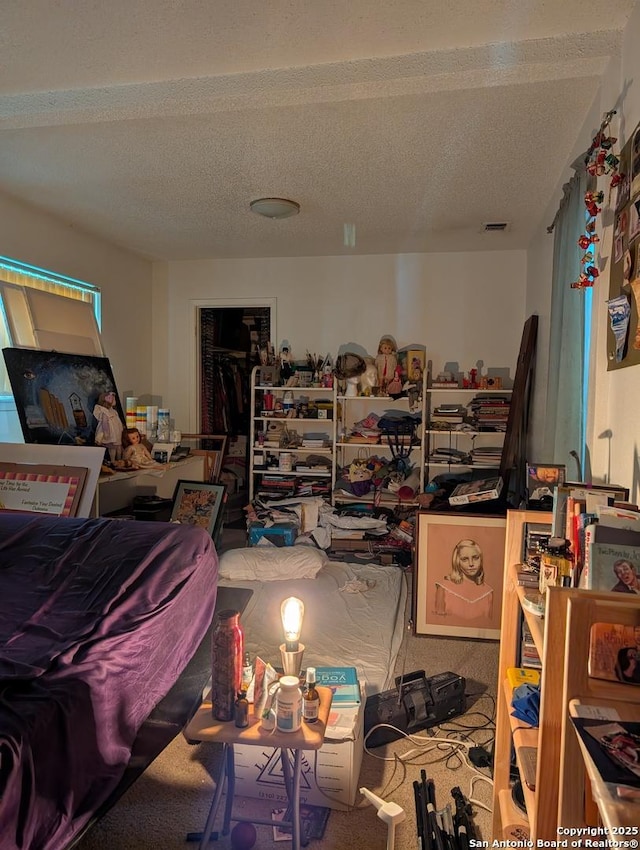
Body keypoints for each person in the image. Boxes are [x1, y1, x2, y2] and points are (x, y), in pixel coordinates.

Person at [434, 538, 494, 621]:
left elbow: (489, 625)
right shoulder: (443, 589)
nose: (471, 564)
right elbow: (437, 623)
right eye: (465, 559)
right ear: (457, 561)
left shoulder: (488, 593)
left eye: (475, 558)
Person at [93, 391, 124, 462]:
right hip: (111, 432)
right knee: (112, 448)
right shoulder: (104, 412)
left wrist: (121, 426)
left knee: (118, 447)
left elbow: (117, 420)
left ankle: (119, 460)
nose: (113, 400)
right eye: (110, 398)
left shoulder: (113, 411)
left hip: (117, 431)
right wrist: (106, 433)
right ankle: (113, 461)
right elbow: (105, 423)